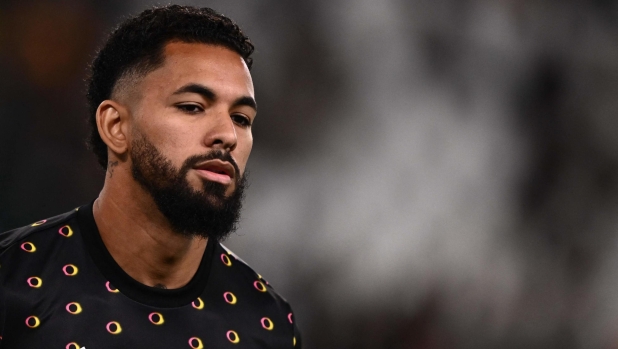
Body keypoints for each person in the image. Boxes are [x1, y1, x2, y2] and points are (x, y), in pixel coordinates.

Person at [0, 5, 301, 348]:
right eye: (192, 107)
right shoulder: (12, 283)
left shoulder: (268, 323)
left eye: (242, 118)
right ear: (116, 127)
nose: (227, 135)